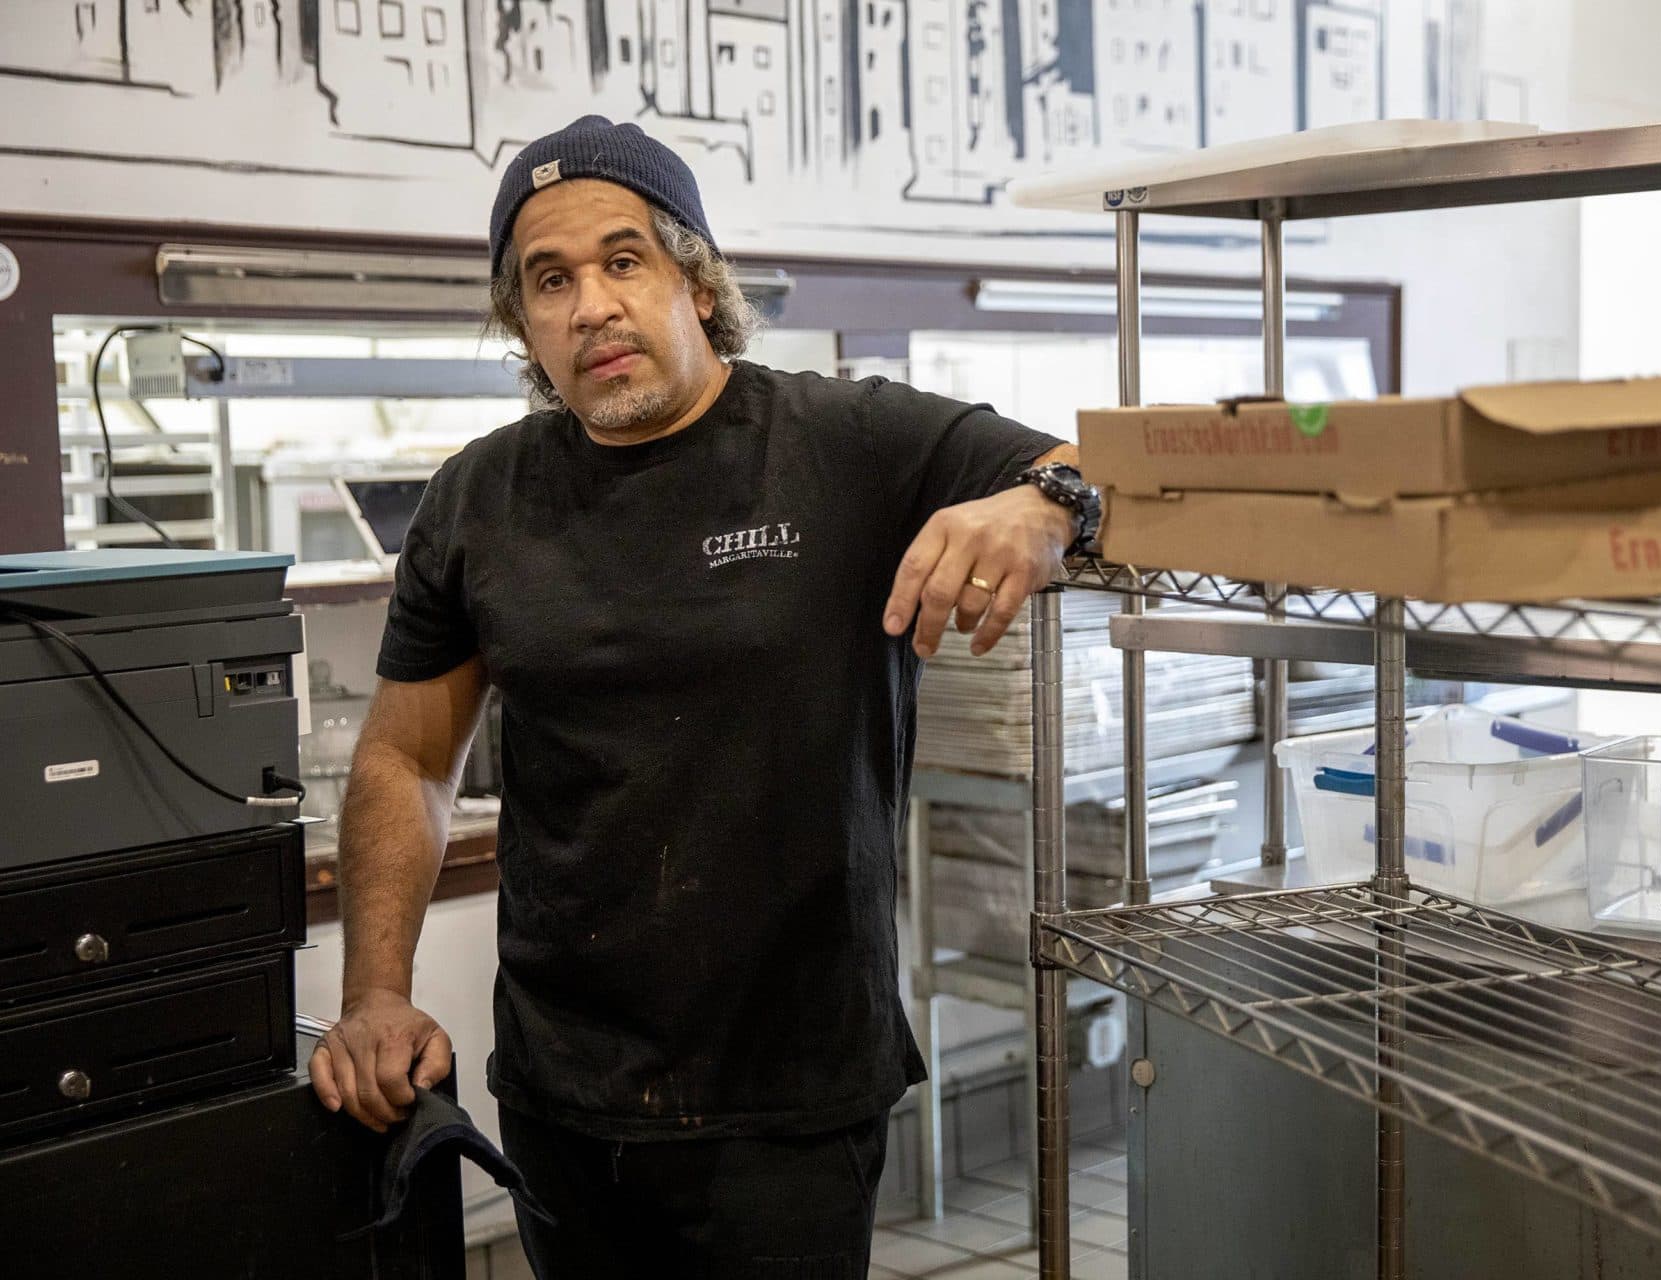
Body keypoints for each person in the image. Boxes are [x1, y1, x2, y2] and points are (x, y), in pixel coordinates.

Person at [307, 115, 1100, 1276]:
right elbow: (405, 760)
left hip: (788, 1092)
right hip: (563, 1091)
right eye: (549, 280)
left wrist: (1049, 501)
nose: (591, 305)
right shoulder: (479, 500)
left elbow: (1109, 471)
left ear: (695, 276)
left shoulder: (843, 439)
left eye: (623, 260)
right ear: (522, 321)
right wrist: (374, 993)